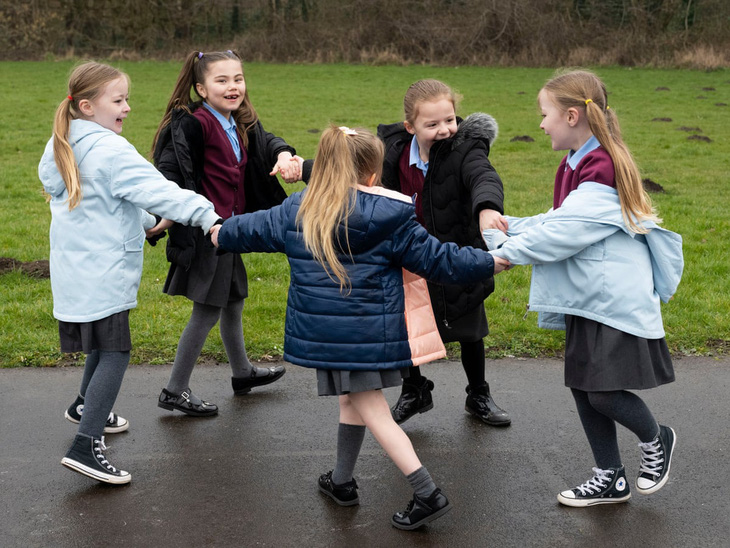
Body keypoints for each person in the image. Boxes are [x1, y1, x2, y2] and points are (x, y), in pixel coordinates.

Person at [211, 126, 510, 529]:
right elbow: (442, 260)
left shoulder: (297, 210)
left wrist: (218, 232)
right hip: (370, 333)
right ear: (373, 176)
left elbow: (248, 229)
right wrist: (489, 261)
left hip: (329, 335)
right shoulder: (390, 217)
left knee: (370, 409)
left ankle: (427, 493)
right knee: (352, 401)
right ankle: (341, 480)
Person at [482, 69, 683, 507]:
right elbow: (560, 219)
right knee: (583, 384)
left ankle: (656, 438)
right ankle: (609, 476)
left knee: (603, 391)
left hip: (610, 299)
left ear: (572, 115)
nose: (540, 124)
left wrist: (505, 253)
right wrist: (511, 225)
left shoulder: (601, 167)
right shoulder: (576, 162)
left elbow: (564, 234)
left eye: (545, 114)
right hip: (589, 296)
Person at [39, 61, 221, 484]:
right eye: (118, 100)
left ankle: (85, 404)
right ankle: (85, 445)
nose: (128, 107)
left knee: (103, 344)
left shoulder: (63, 142)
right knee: (116, 351)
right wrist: (209, 217)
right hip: (103, 270)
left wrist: (144, 221)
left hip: (77, 267)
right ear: (87, 106)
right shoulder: (110, 150)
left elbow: (103, 200)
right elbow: (162, 191)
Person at [150, 50, 305, 417]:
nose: (232, 87)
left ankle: (242, 373)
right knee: (206, 311)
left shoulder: (238, 121)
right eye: (222, 81)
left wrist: (283, 154)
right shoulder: (195, 124)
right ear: (202, 88)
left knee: (233, 302)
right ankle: (174, 389)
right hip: (208, 231)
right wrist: (165, 214)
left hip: (231, 230)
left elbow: (268, 142)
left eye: (237, 79)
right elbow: (170, 170)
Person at [377, 79, 511, 427]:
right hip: (408, 252)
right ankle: (415, 389)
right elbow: (352, 169)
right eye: (432, 124)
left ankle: (478, 393)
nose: (445, 130)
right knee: (408, 324)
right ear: (410, 127)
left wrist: (486, 207)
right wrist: (303, 168)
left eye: (450, 120)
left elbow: (484, 176)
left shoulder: (466, 149)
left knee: (469, 326)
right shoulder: (391, 151)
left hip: (457, 249)